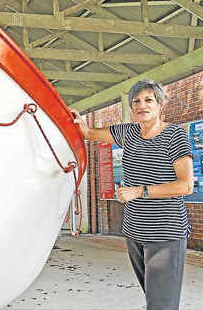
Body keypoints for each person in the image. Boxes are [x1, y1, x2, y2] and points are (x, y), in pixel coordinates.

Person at [70, 79, 194, 310]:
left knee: (161, 304)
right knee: (153, 298)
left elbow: (186, 186)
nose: (141, 105)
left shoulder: (174, 135)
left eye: (149, 100)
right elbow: (89, 133)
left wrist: (140, 191)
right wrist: (76, 120)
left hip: (165, 230)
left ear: (160, 104)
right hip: (135, 230)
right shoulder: (128, 132)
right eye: (136, 101)